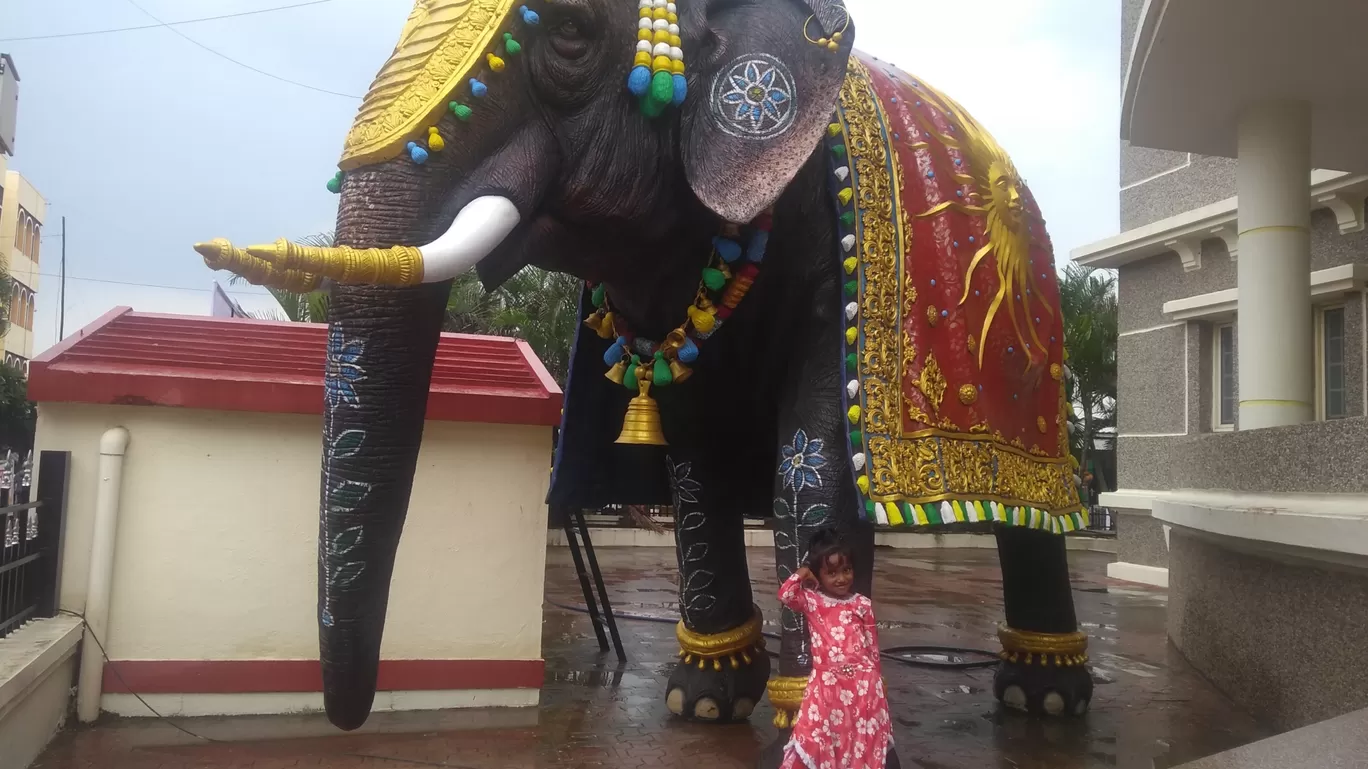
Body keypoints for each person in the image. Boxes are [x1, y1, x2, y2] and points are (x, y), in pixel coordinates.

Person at [778, 528, 893, 769]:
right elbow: (786, 594)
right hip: (826, 686)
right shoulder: (812, 601)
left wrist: (877, 684)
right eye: (831, 573)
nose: (841, 578)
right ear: (818, 574)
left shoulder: (862, 604)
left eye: (846, 570)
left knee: (858, 741)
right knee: (816, 736)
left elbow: (872, 647)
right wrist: (803, 571)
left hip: (862, 687)